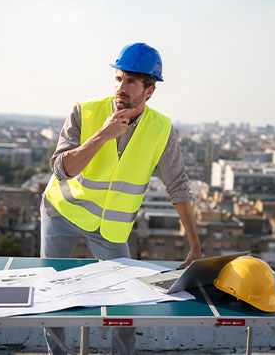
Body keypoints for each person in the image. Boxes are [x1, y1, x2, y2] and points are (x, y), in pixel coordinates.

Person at [41, 42, 202, 355]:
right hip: (62, 212)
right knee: (52, 293)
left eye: (131, 81)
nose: (121, 88)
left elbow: (178, 185)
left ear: (149, 90)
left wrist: (195, 245)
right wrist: (102, 135)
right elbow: (62, 169)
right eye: (118, 79)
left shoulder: (161, 128)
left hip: (109, 228)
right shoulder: (84, 112)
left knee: (126, 298)